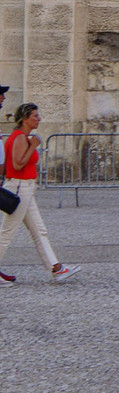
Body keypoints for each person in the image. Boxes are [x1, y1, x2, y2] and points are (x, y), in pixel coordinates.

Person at [0, 103, 75, 284]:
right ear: (25, 119)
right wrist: (32, 146)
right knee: (7, 233)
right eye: (35, 116)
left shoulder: (22, 137)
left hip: (25, 187)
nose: (38, 119)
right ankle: (56, 268)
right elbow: (17, 164)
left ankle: (56, 268)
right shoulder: (20, 137)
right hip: (19, 187)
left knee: (39, 230)